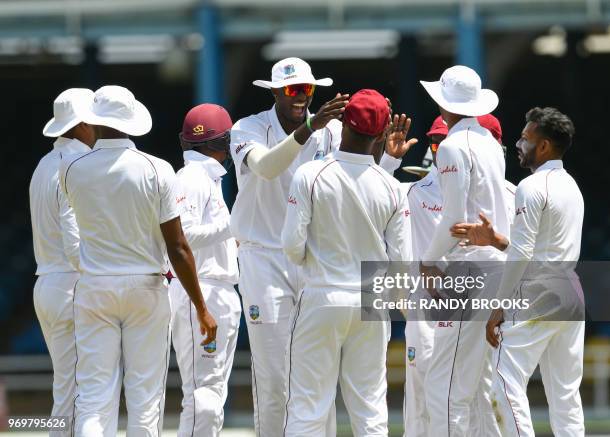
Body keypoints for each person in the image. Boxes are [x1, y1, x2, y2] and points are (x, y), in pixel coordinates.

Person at [229, 57, 408, 436]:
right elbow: (265, 168)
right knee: (276, 378)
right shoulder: (249, 128)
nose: (301, 98)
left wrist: (387, 158)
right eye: (293, 90)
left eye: (307, 90)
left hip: (318, 263)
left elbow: (361, 183)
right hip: (265, 257)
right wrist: (309, 128)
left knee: (316, 382)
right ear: (275, 92)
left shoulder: (332, 130)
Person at [59, 85, 216, 437]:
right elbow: (177, 246)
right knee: (145, 398)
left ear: (94, 122)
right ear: (131, 121)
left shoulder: (71, 170)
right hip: (145, 287)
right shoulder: (157, 169)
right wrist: (201, 307)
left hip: (94, 287)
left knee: (94, 397)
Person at [281, 89, 412, 436]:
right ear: (382, 134)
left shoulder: (310, 174)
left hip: (322, 293)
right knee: (370, 408)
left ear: (342, 124)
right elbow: (402, 260)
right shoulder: (392, 186)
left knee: (308, 406)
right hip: (372, 298)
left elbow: (291, 246)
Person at [451, 107, 585, 437]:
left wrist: (498, 307)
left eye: (526, 139)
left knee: (505, 386)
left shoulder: (531, 185)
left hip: (536, 294)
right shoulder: (571, 186)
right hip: (570, 291)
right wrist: (498, 241)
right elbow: (541, 252)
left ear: (544, 146)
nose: (518, 144)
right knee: (566, 396)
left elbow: (526, 254)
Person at [402, 113, 512, 437]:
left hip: (467, 284)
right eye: (433, 144)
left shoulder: (506, 189)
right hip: (460, 292)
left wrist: (427, 261)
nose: (438, 149)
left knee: (449, 390)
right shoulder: (420, 190)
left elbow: (454, 223)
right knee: (460, 392)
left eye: (441, 142)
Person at [170, 104, 241, 437]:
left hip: (218, 290)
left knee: (211, 394)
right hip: (203, 291)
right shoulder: (192, 177)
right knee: (204, 397)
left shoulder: (205, 177)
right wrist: (233, 226)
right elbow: (182, 237)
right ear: (223, 142)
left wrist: (232, 238)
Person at [30, 88, 96, 436]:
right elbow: (75, 244)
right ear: (83, 124)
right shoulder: (75, 165)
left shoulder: (44, 164)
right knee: (78, 394)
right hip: (72, 282)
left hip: (48, 282)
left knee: (68, 390)